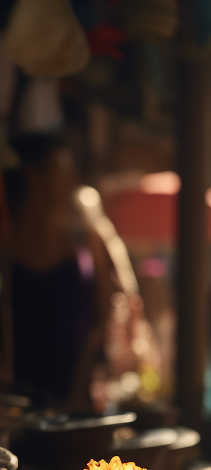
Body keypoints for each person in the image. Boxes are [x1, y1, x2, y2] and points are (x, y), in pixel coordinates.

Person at [4, 134, 115, 409]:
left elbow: (102, 317)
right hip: (18, 398)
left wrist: (77, 391)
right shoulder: (8, 243)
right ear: (33, 175)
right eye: (61, 173)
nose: (71, 183)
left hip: (77, 397)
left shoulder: (87, 238)